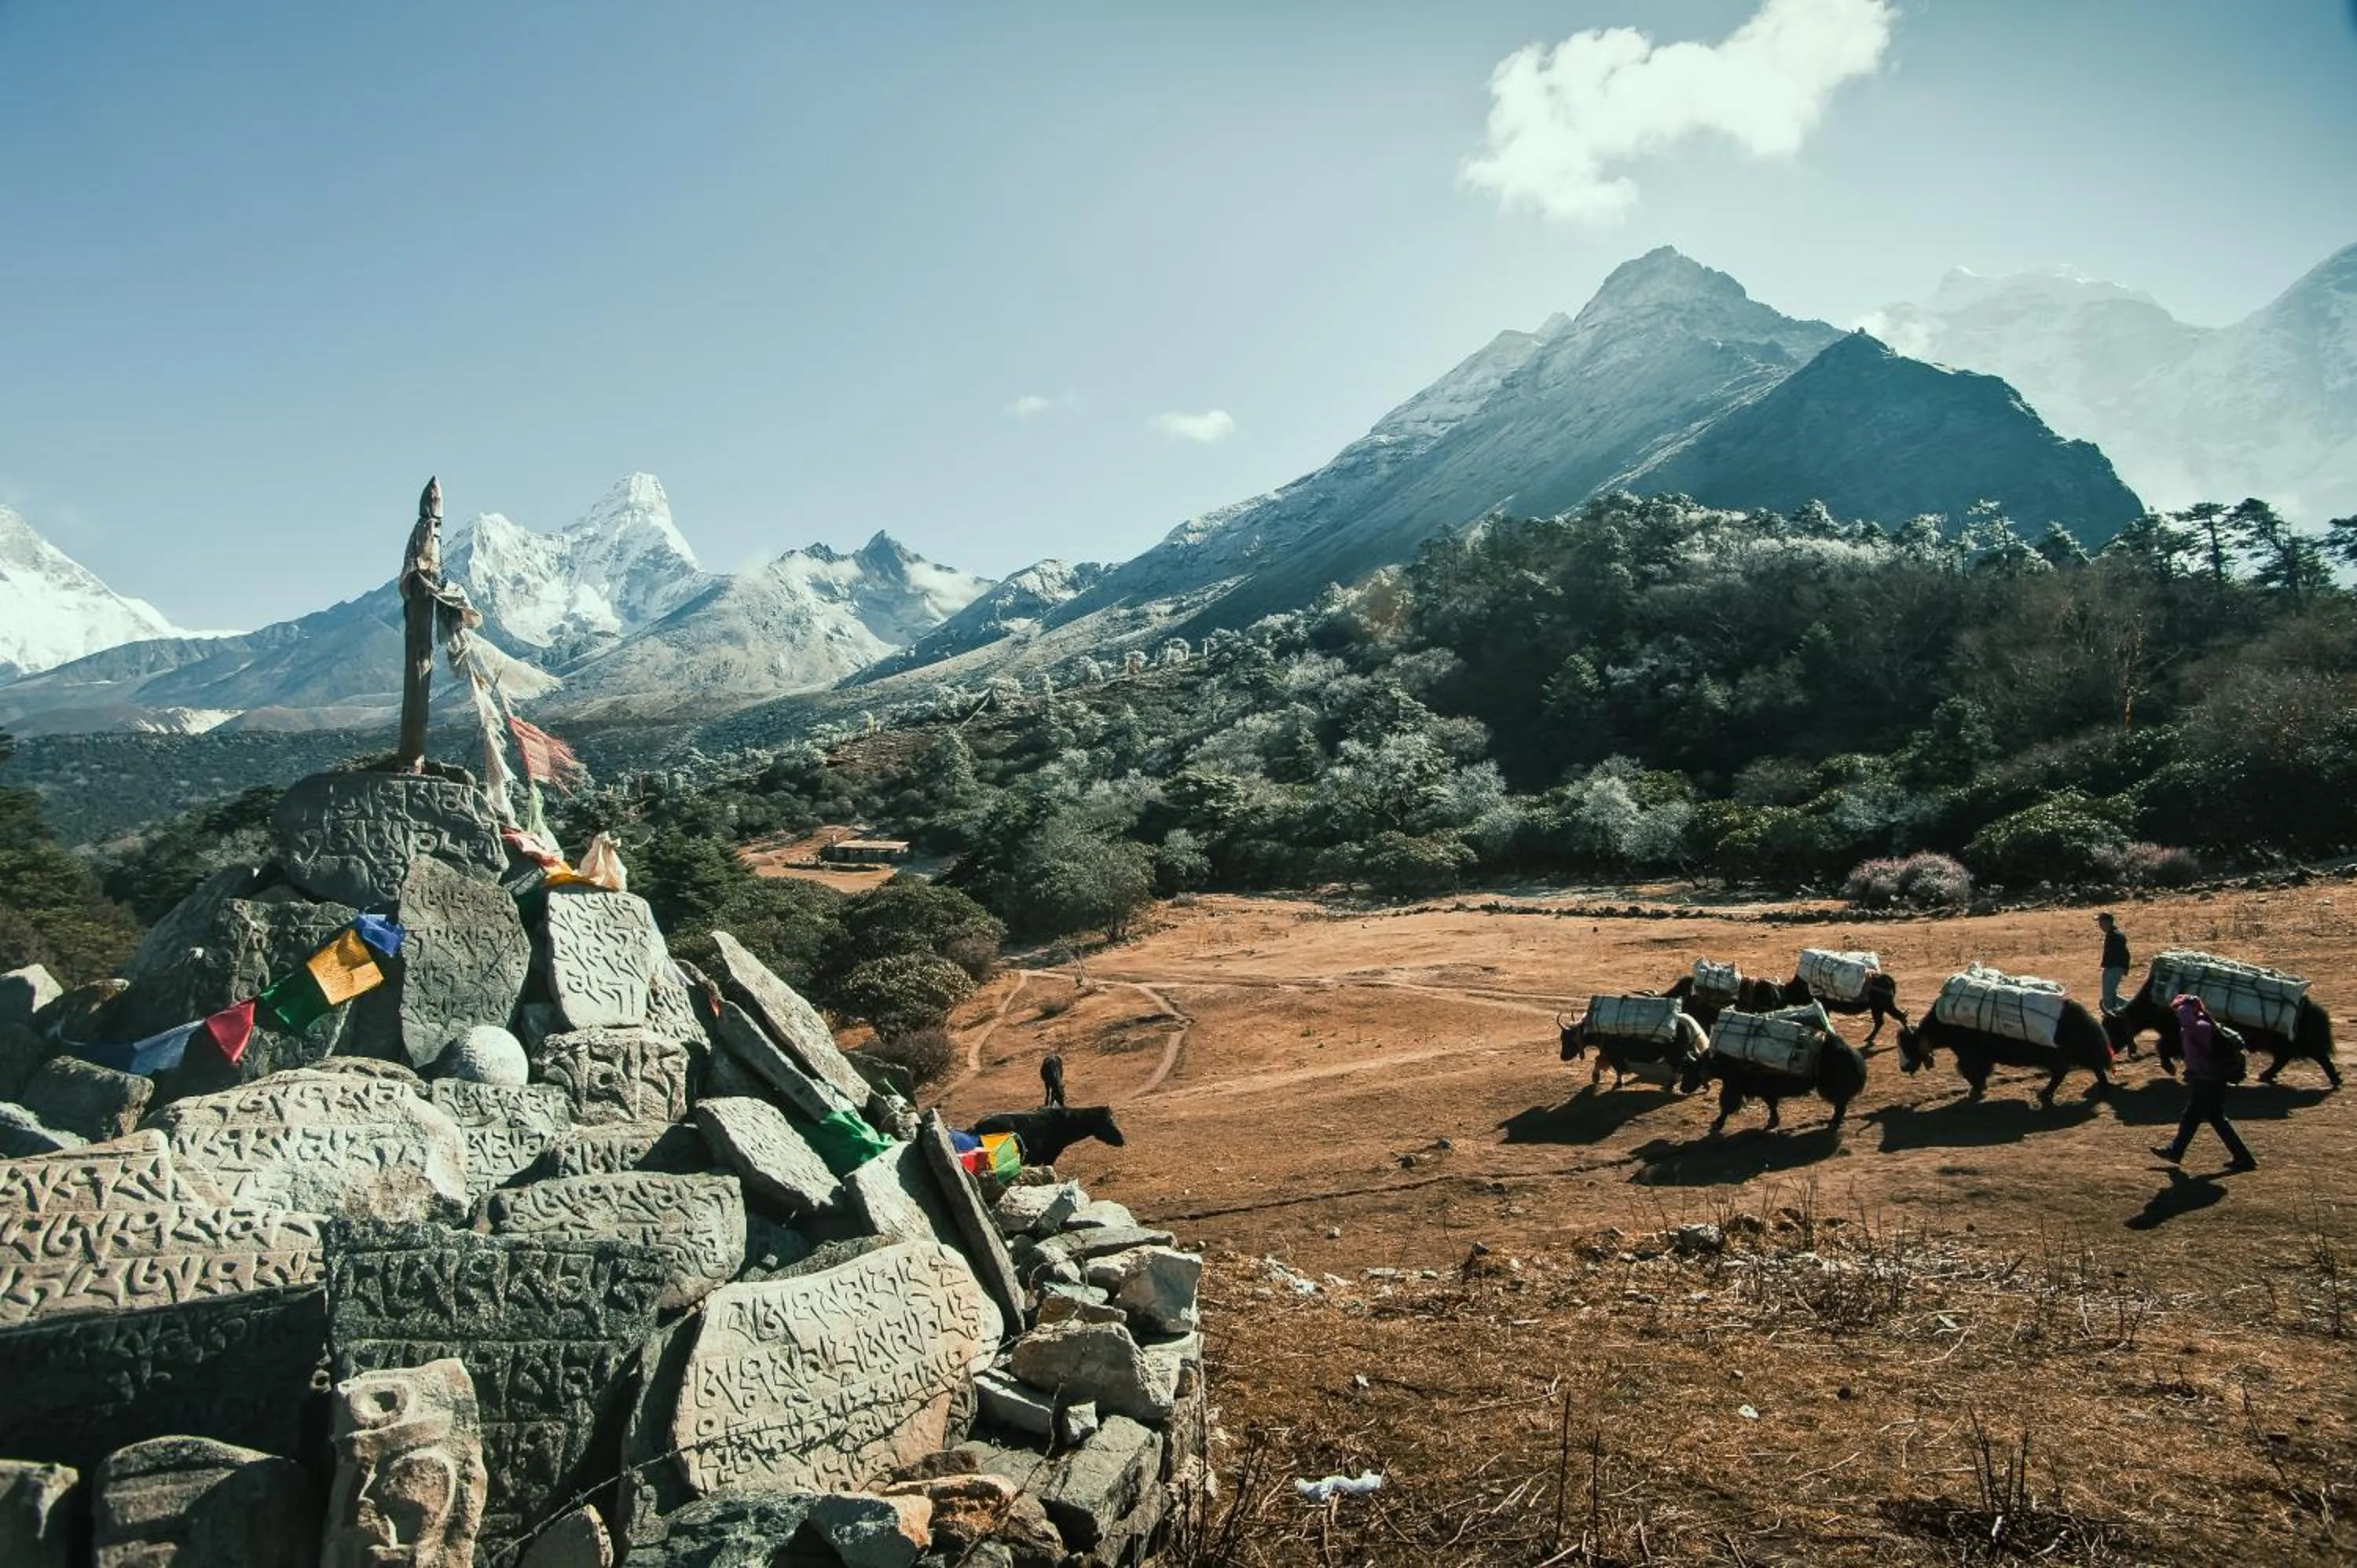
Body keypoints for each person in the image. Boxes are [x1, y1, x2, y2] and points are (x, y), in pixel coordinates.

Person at [2151, 993, 2257, 1172]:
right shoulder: (2205, 1025)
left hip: (2206, 1079)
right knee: (2215, 1118)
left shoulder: (2198, 1027)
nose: (2177, 1013)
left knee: (2192, 1116)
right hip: (2211, 1078)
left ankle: (2176, 1151)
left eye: (2179, 1010)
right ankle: (2244, 1158)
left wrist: (2185, 1006)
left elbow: (2187, 1022)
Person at [2096, 912, 2132, 1017]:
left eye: (2101, 922)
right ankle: (2130, 1007)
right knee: (2109, 995)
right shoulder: (2111, 934)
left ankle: (2112, 1013)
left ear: (2107, 922)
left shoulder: (2116, 935)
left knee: (2108, 995)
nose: (2099, 925)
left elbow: (2125, 954)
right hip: (2110, 967)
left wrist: (2123, 968)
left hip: (2115, 968)